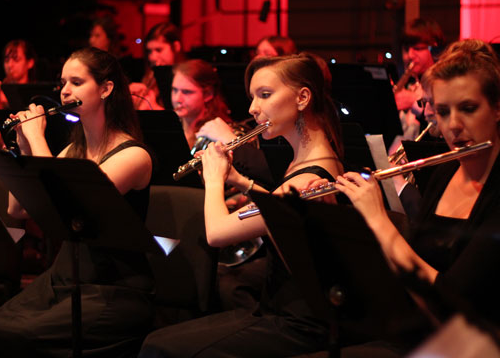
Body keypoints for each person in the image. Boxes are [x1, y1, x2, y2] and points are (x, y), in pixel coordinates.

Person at [139, 52, 345, 357]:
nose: (252, 108)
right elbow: (279, 207)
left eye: (265, 95)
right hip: (278, 308)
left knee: (158, 348)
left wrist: (213, 178)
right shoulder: (313, 160)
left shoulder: (307, 176)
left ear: (303, 97)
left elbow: (217, 234)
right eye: (252, 97)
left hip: (296, 322)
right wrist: (239, 179)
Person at [0, 47, 155, 357]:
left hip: (114, 290)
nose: (65, 91)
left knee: (16, 340)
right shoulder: (73, 150)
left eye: (76, 82)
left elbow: (67, 209)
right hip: (64, 278)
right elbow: (19, 209)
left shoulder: (133, 156)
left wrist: (37, 138)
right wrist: (25, 145)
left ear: (106, 88)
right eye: (63, 82)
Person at [328, 40, 500, 355]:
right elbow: (409, 269)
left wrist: (378, 220)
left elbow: (450, 301)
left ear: (497, 108)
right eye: (443, 112)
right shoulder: (444, 173)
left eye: (468, 108)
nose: (454, 126)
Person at [391, 18, 446, 154]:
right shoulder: (412, 85)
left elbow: (442, 132)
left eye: (417, 48)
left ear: (434, 48)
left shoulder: (445, 85)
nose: (410, 55)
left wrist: (412, 103)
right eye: (407, 49)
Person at [171, 59, 231, 149]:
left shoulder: (216, 134)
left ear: (208, 94)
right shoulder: (170, 128)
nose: (177, 99)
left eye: (186, 92)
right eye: (175, 90)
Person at [130, 22, 183, 110]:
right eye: (149, 51)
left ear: (176, 47)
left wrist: (153, 107)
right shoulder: (151, 75)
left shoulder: (187, 78)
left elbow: (184, 119)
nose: (152, 57)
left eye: (158, 50)